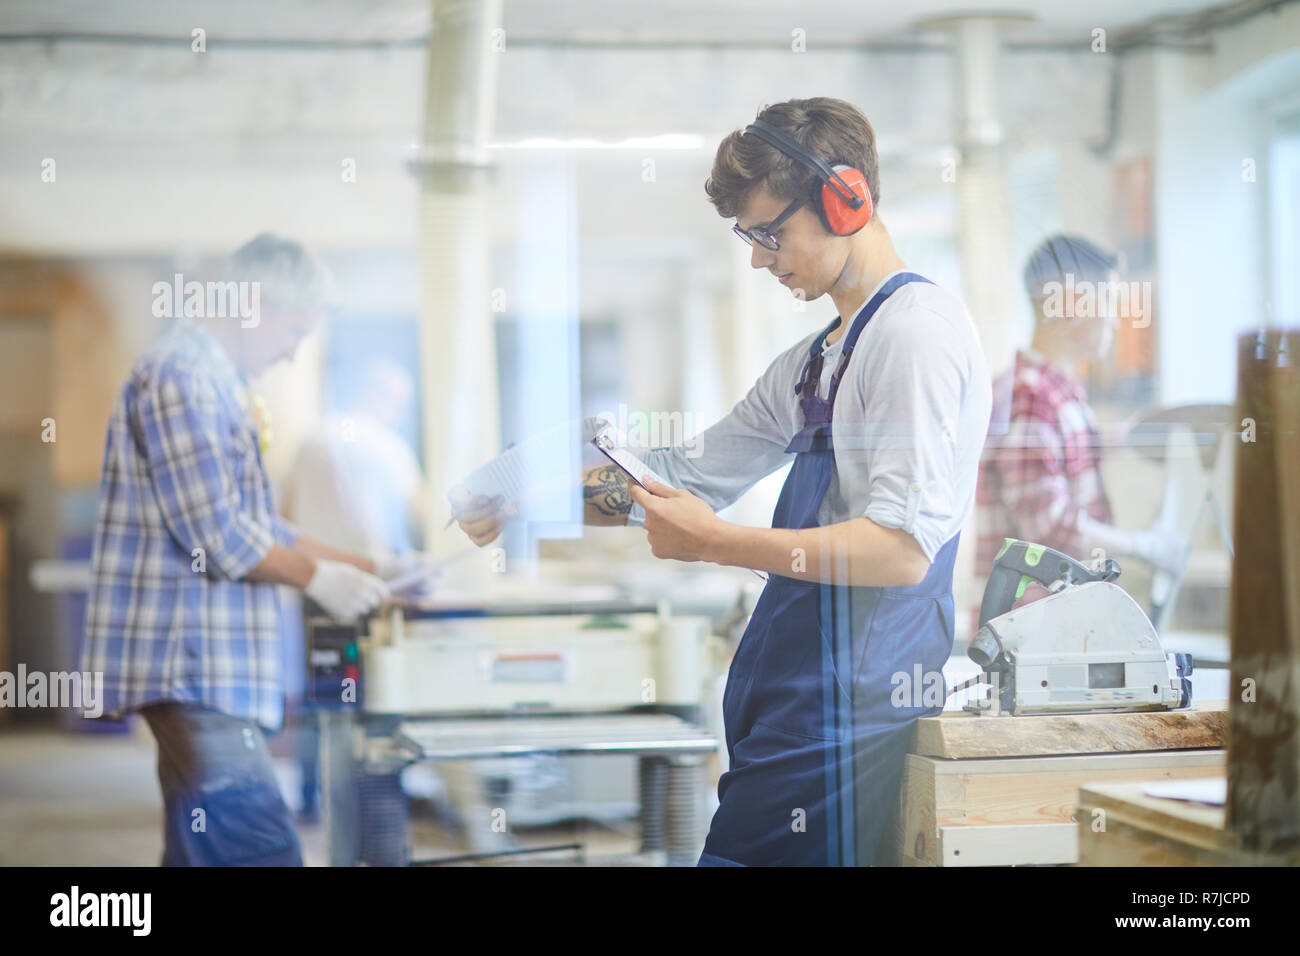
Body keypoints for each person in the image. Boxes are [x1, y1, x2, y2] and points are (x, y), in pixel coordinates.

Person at [455, 98, 992, 866]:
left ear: (847, 200)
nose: (759, 259)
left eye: (771, 233)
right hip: (796, 700)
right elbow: (682, 472)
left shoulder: (915, 337)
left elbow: (903, 549)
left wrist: (718, 544)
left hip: (852, 707)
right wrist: (529, 499)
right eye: (750, 237)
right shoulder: (818, 359)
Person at [81, 234, 418, 866]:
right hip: (194, 668)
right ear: (254, 303)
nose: (293, 354)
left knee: (202, 851)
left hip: (211, 671)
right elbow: (217, 533)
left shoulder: (218, 383)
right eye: (294, 331)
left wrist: (375, 568)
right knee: (261, 851)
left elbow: (264, 526)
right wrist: (317, 578)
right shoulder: (183, 376)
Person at [976, 234, 1186, 587]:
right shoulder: (1031, 398)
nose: (1116, 321)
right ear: (1074, 305)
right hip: (1032, 629)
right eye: (1108, 301)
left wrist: (1126, 437)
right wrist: (1145, 546)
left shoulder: (1053, 392)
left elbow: (1056, 455)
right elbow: (1049, 531)